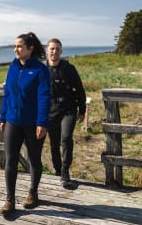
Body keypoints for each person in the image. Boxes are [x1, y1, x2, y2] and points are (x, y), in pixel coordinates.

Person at [0, 32, 51, 216]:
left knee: (34, 159)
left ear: (30, 48)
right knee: (10, 160)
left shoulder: (40, 69)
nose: (16, 49)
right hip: (13, 121)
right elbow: (7, 94)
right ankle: (10, 199)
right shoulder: (13, 68)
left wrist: (42, 122)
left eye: (20, 46)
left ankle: (33, 192)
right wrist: (3, 118)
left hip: (32, 123)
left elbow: (44, 97)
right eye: (15, 46)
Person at [45, 38, 86, 188]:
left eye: (57, 49)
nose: (54, 51)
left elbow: (80, 89)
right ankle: (58, 170)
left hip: (68, 109)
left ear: (61, 51)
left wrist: (82, 109)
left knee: (66, 138)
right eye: (52, 49)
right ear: (47, 51)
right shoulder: (41, 69)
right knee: (54, 144)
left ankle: (65, 171)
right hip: (50, 111)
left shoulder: (69, 68)